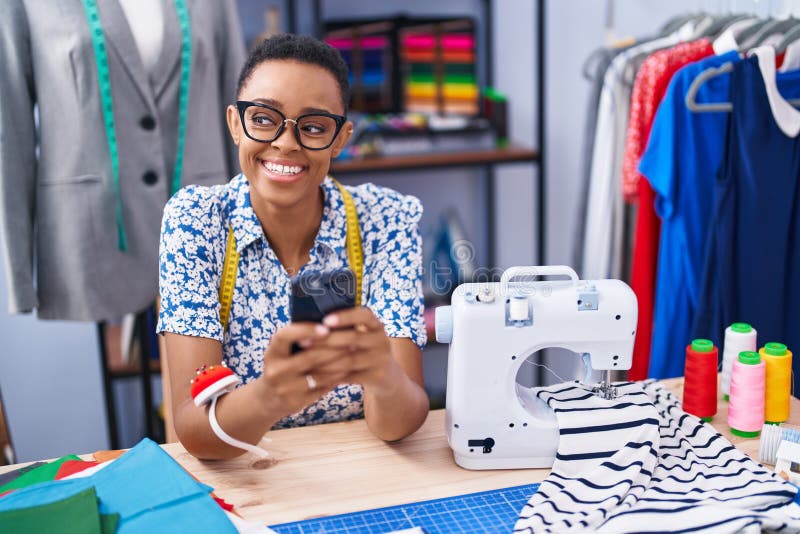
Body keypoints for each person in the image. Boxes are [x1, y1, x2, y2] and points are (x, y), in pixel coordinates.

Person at [157, 34, 429, 460]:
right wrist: (273, 392)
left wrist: (383, 377)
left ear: (340, 139)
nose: (286, 142)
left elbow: (398, 424)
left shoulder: (386, 219)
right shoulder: (196, 221)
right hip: (247, 476)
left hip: (363, 469)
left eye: (314, 127)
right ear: (234, 124)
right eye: (264, 119)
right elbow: (195, 432)